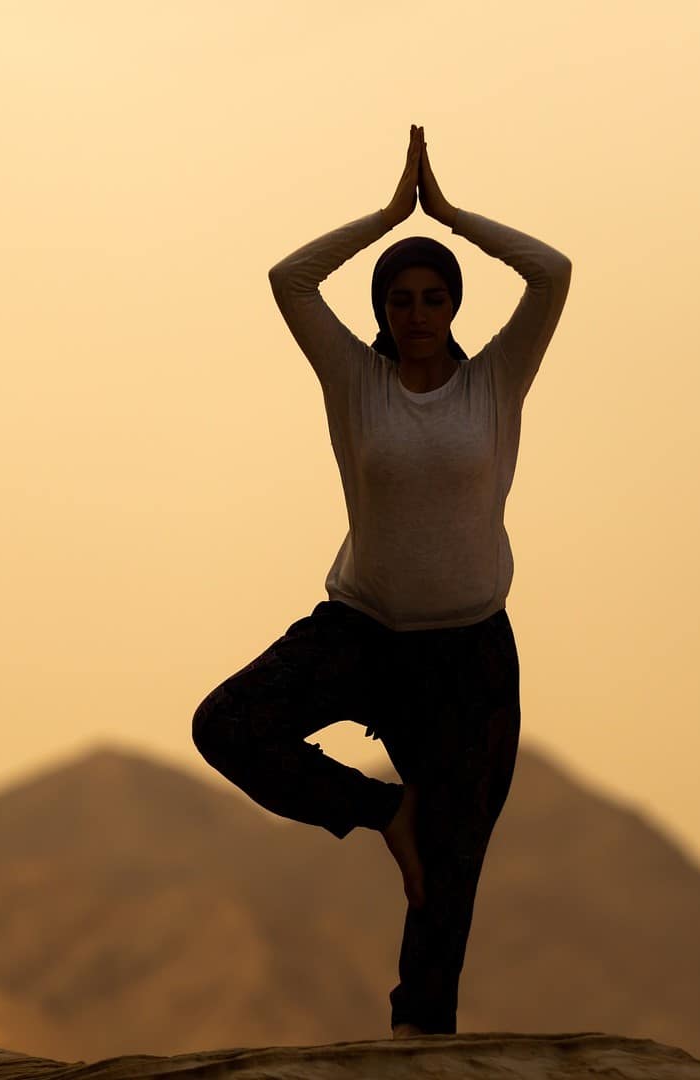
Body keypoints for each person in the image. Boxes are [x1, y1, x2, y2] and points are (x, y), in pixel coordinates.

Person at [192, 124, 572, 1039]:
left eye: (433, 297)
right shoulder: (355, 381)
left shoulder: (496, 383)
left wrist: (446, 213)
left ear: (453, 305)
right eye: (399, 298)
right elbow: (289, 280)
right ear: (382, 308)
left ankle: (418, 1045)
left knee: (450, 881)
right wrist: (385, 216)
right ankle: (383, 812)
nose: (416, 312)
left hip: (470, 657)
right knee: (228, 725)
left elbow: (553, 272)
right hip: (360, 633)